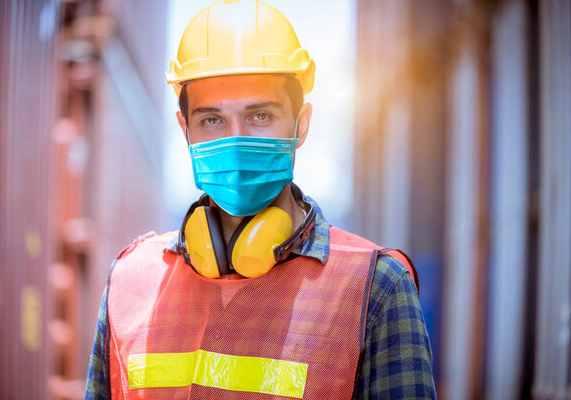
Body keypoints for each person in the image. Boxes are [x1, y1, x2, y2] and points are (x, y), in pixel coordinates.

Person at [85, 0, 436, 398]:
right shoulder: (130, 282)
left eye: (260, 116)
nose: (235, 139)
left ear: (301, 124)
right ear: (185, 129)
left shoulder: (375, 288)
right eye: (212, 120)